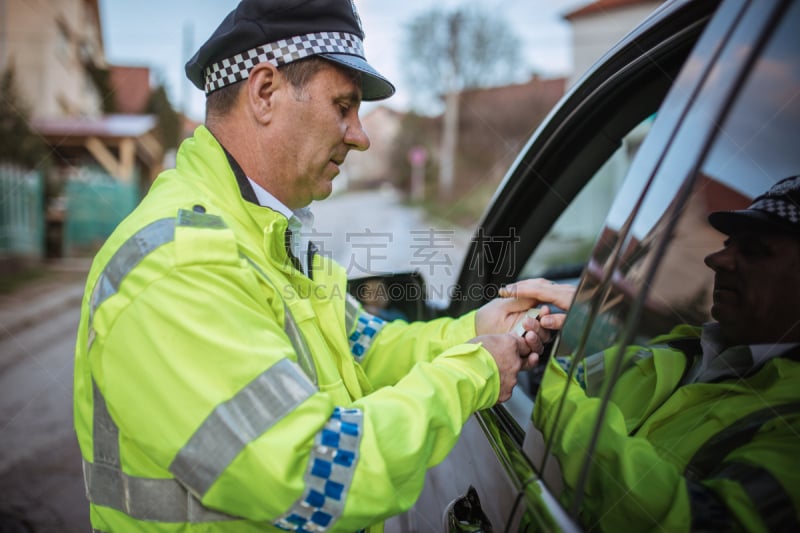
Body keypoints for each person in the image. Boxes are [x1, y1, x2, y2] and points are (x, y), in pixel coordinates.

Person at [72, 1, 559, 531]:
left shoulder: (269, 239)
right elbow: (314, 473)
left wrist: (474, 330)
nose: (360, 134)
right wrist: (476, 371)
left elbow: (368, 351)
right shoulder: (175, 264)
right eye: (343, 107)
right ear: (264, 93)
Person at [502, 175, 800, 531]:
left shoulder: (789, 423)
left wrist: (556, 397)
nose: (717, 258)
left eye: (752, 250)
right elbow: (569, 374)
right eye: (728, 243)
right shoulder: (678, 350)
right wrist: (540, 343)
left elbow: (700, 523)